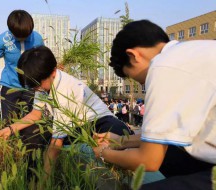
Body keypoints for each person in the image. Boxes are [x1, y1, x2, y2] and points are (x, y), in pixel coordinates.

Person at [92, 20, 216, 189]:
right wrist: (120, 141)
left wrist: (104, 153)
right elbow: (164, 139)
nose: (142, 84)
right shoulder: (191, 53)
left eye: (134, 77)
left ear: (133, 55)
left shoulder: (163, 65)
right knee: (172, 151)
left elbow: (149, 161)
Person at [0, 46, 134, 176]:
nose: (35, 89)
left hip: (99, 123)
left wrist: (44, 181)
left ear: (53, 71)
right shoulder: (43, 84)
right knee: (33, 134)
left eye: (37, 84)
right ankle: (31, 177)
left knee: (115, 137)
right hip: (77, 128)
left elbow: (56, 144)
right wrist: (10, 129)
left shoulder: (63, 90)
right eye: (32, 86)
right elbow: (36, 114)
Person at [0, 10, 44, 124]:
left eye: (26, 36)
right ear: (11, 31)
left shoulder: (37, 38)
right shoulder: (2, 40)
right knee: (7, 122)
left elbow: (42, 58)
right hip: (9, 86)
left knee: (28, 123)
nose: (22, 39)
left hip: (31, 87)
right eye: (19, 37)